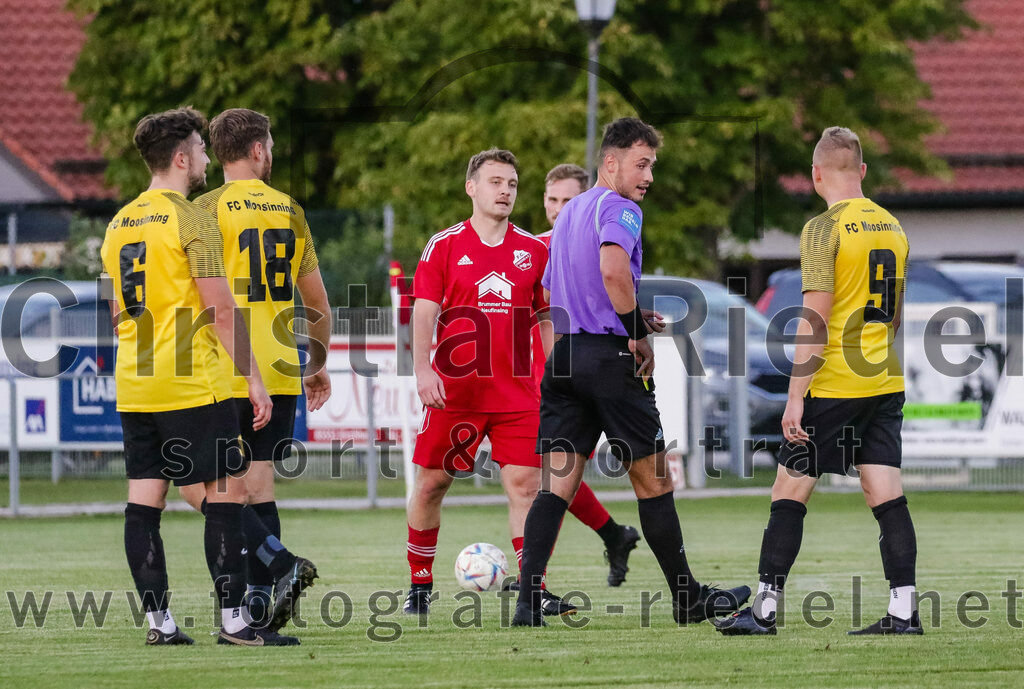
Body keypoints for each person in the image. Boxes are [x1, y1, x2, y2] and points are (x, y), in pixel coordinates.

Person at [512, 118, 750, 627]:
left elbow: (556, 291)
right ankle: (687, 598)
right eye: (641, 165)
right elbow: (613, 271)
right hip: (609, 360)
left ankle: (528, 601)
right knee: (654, 480)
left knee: (555, 486)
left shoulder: (570, 213)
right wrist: (633, 333)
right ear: (611, 161)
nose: (648, 178)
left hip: (566, 358)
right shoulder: (620, 208)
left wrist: (624, 317)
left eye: (652, 167)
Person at [714, 126, 919, 636]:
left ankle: (762, 612)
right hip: (884, 379)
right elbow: (894, 317)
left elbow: (815, 319)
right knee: (885, 493)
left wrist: (794, 397)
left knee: (789, 488)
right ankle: (903, 611)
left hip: (836, 382)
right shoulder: (893, 226)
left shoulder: (823, 229)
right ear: (863, 171)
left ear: (815, 174)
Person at [100, 107, 291, 645]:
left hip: (136, 383)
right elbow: (222, 311)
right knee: (226, 497)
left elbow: (116, 314)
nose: (207, 158)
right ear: (182, 158)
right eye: (201, 151)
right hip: (191, 382)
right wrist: (253, 379)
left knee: (144, 504)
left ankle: (160, 625)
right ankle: (235, 620)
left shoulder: (119, 223)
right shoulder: (191, 218)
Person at [403, 148, 576, 617]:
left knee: (525, 486)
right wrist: (423, 370)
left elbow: (547, 317)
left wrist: (553, 373)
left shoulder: (534, 251)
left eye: (512, 184)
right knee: (432, 485)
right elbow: (424, 311)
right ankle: (419, 588)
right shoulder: (443, 245)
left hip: (518, 393)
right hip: (455, 391)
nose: (505, 191)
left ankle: (532, 590)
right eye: (496, 182)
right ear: (471, 188)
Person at [179, 108, 331, 636]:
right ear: (259, 150)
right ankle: (264, 606)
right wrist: (317, 364)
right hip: (282, 365)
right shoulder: (290, 210)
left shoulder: (201, 211)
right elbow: (317, 304)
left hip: (221, 367)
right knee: (259, 486)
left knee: (202, 487)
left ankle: (259, 585)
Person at [533, 163, 641, 587]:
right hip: (543, 374)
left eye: (567, 200)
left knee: (544, 477)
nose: (559, 209)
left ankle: (532, 581)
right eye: (551, 200)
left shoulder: (580, 238)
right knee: (549, 476)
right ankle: (613, 535)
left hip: (564, 372)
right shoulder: (534, 246)